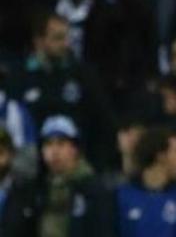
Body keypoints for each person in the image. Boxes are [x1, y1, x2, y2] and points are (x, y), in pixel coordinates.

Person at [7, 12, 115, 170]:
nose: (66, 44)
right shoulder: (19, 77)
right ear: (39, 41)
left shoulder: (82, 75)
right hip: (32, 167)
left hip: (77, 165)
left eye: (66, 38)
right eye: (58, 38)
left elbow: (102, 121)